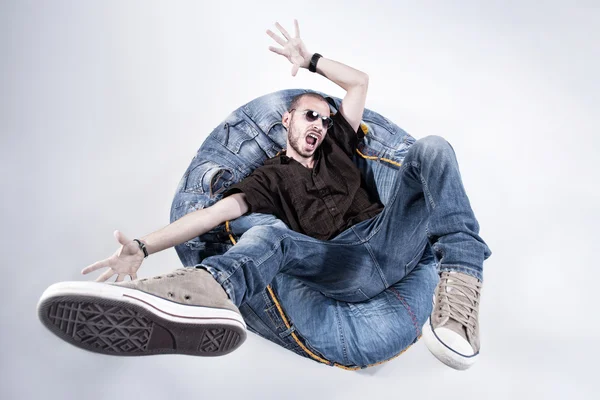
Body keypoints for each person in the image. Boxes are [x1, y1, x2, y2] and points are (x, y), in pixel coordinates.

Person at [37, 20, 491, 370]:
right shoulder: (268, 179)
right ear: (285, 124)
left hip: (392, 240)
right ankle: (199, 294)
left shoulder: (339, 145)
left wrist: (309, 58)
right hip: (339, 265)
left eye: (324, 119)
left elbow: (359, 83)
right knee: (271, 235)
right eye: (308, 115)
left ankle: (462, 286)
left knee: (433, 148)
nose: (318, 124)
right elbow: (212, 215)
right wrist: (142, 246)